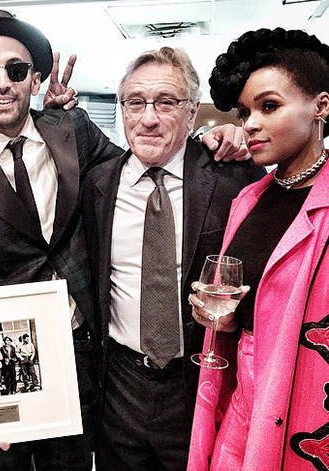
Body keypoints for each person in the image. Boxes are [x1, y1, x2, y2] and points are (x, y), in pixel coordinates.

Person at [0, 10, 251, 468]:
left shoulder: (71, 130)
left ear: (34, 80)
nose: (2, 83)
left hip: (89, 353)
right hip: (8, 346)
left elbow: (146, 159)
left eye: (16, 71)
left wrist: (217, 139)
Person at [81, 46, 265, 471]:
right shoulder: (97, 184)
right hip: (119, 388)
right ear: (122, 110)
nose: (148, 118)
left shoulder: (234, 176)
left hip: (201, 382)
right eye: (135, 102)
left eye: (166, 102)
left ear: (190, 114)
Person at [187, 28, 329, 471]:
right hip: (238, 401)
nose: (249, 123)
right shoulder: (248, 199)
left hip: (305, 406)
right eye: (245, 111)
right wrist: (225, 320)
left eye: (269, 106)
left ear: (321, 106)